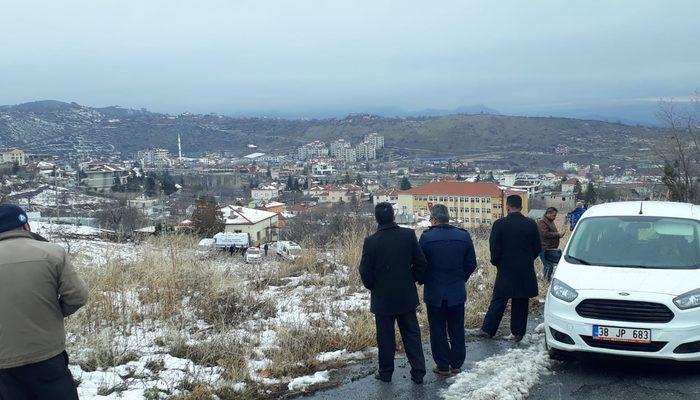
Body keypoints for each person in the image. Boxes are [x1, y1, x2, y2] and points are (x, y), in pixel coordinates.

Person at [0, 204, 88, 400]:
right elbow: (78, 297)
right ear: (26, 226)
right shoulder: (52, 253)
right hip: (46, 354)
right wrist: (53, 312)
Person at [360, 202, 427, 384]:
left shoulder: (371, 241)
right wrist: (411, 279)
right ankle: (419, 372)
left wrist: (375, 286)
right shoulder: (408, 235)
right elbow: (421, 263)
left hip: (383, 298)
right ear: (393, 216)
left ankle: (386, 372)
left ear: (376, 219)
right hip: (406, 295)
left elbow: (365, 272)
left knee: (385, 337)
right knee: (411, 334)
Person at [419, 204, 477, 377]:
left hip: (434, 292)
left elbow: (420, 264)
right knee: (457, 328)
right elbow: (471, 263)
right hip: (456, 291)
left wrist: (423, 280)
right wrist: (461, 278)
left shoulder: (426, 238)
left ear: (434, 219)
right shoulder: (463, 236)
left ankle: (443, 366)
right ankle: (457, 364)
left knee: (437, 330)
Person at [480, 195, 541, 342]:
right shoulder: (531, 224)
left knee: (499, 300)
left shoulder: (500, 224)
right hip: (525, 268)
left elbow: (494, 248)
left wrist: (497, 263)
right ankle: (518, 333)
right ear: (521, 207)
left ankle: (488, 330)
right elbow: (537, 248)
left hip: (505, 268)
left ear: (508, 206)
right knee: (521, 300)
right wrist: (527, 259)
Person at [537, 207, 565, 282]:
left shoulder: (550, 221)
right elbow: (545, 234)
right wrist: (558, 234)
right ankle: (546, 281)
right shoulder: (542, 222)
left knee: (550, 265)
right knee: (548, 266)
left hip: (549, 248)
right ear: (548, 214)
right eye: (554, 215)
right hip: (543, 248)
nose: (555, 217)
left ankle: (546, 280)